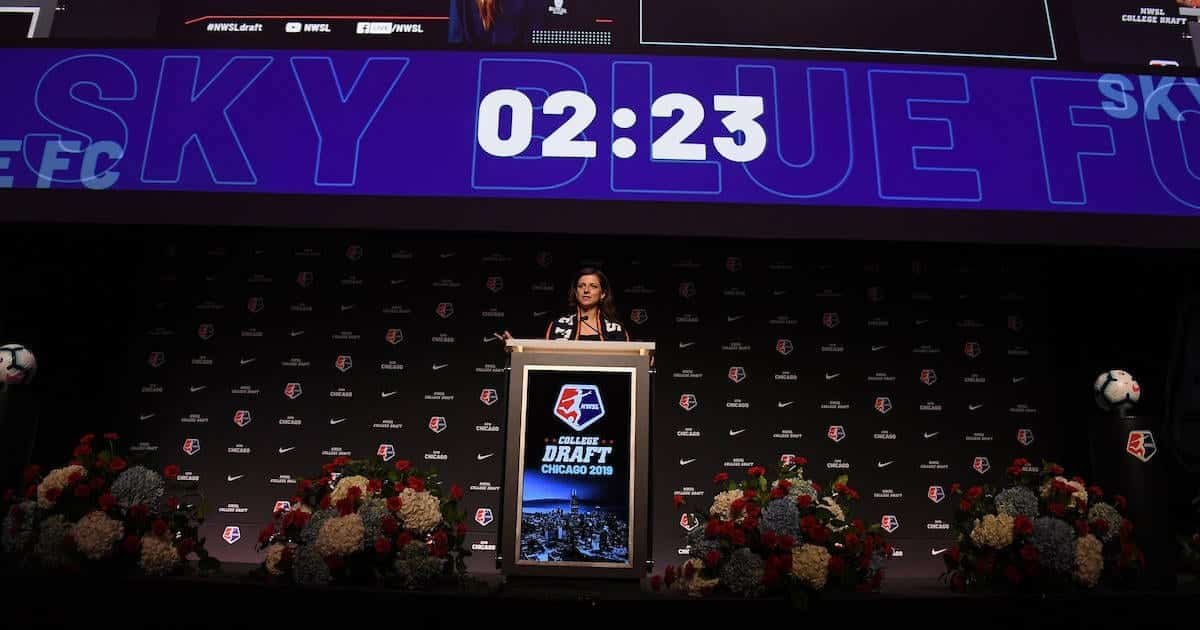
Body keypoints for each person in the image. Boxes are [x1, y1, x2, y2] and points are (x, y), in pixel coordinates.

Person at [497, 267, 630, 342]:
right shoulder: (558, 325)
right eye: (581, 286)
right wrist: (515, 347)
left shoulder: (616, 330)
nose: (586, 290)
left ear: (603, 294)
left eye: (593, 286)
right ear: (576, 292)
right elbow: (542, 358)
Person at [448, 0, 547, 47]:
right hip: (470, 67)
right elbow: (456, 39)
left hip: (515, 65)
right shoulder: (461, 4)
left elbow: (532, 43)